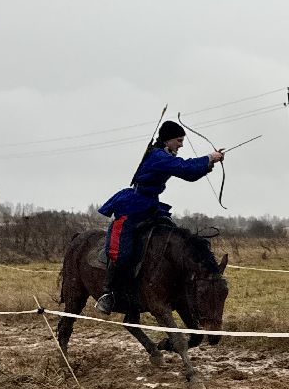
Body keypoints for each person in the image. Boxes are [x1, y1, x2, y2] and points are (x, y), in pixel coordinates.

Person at [95, 120, 224, 314]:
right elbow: (185, 169)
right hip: (132, 206)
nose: (181, 145)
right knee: (120, 252)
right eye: (179, 141)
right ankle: (108, 293)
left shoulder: (163, 155)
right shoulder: (158, 156)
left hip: (151, 206)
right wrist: (209, 158)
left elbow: (188, 173)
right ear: (168, 140)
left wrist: (209, 162)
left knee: (176, 240)